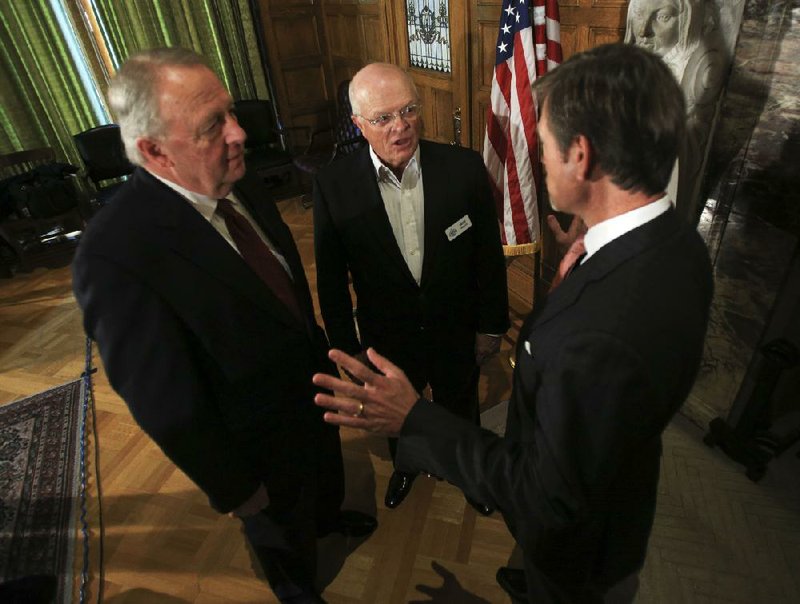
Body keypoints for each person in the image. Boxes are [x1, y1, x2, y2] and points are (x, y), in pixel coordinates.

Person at [311, 43, 713, 603]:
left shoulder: (595, 334)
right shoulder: (679, 246)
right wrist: (590, 257)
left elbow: (544, 493)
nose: (535, 160)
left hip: (579, 555)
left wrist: (416, 417)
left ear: (581, 154)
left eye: (542, 143)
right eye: (383, 117)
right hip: (606, 501)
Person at [72, 48, 376, 604]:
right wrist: (235, 488)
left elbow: (281, 286)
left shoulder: (238, 178)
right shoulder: (114, 255)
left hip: (311, 400)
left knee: (322, 495)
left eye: (230, 113)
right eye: (213, 125)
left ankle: (331, 523)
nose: (238, 133)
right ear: (154, 150)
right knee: (287, 545)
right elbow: (165, 403)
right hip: (255, 450)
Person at [312, 63, 509, 511]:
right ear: (359, 125)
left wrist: (491, 326)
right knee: (397, 415)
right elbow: (330, 281)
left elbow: (487, 258)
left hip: (456, 328)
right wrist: (349, 349)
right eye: (383, 118)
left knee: (461, 405)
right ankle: (407, 465)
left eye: (408, 110)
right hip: (387, 336)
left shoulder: (463, 168)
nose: (400, 126)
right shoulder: (333, 187)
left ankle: (469, 473)